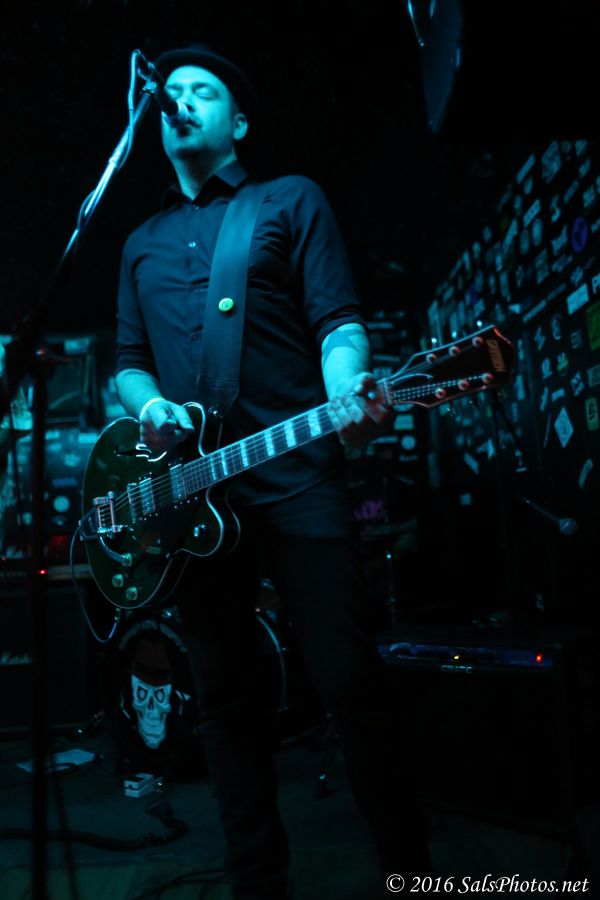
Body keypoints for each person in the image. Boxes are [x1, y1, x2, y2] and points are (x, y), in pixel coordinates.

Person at [115, 43, 430, 900]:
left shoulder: (288, 200)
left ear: (239, 121)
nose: (181, 101)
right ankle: (258, 884)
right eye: (171, 92)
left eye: (202, 91)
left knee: (349, 680)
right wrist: (153, 408)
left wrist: (350, 387)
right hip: (196, 495)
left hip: (295, 470)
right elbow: (130, 364)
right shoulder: (140, 243)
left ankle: (414, 876)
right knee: (225, 701)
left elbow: (338, 323)